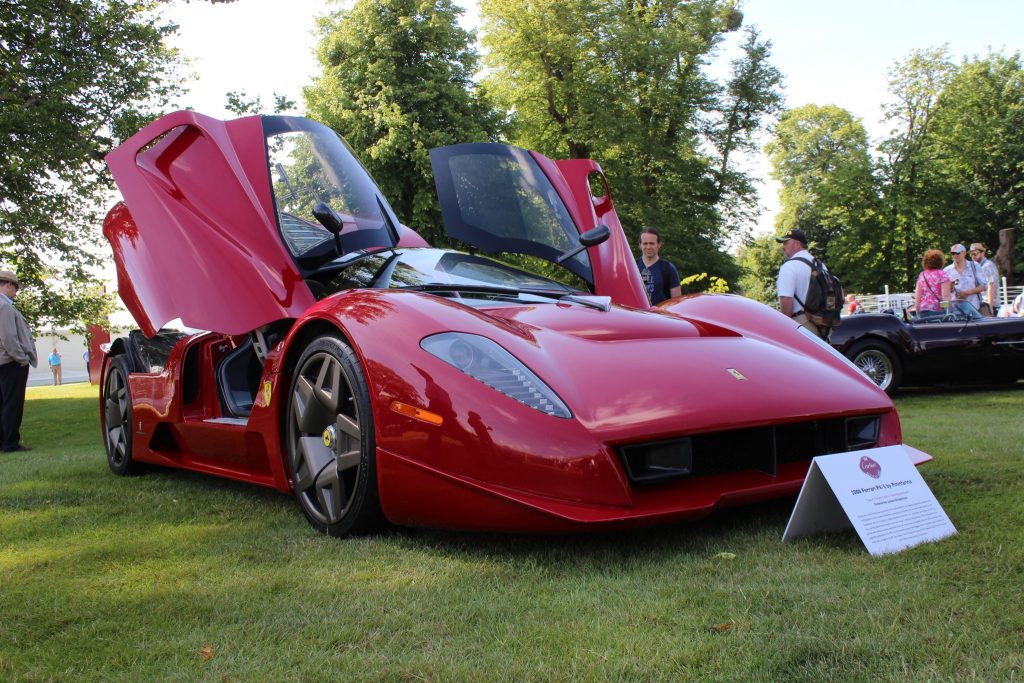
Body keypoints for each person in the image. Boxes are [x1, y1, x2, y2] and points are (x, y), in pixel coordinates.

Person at [0, 269, 36, 452]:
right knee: (12, 404)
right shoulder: (4, 307)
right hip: (10, 362)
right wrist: (21, 358)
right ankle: (10, 442)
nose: (16, 291)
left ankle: (4, 440)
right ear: (7, 285)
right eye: (15, 287)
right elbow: (8, 337)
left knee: (3, 403)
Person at [776, 229, 828, 337]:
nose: (783, 247)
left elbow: (786, 299)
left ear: (797, 244)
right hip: (824, 323)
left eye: (786, 243)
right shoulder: (820, 265)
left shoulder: (789, 266)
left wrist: (784, 329)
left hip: (802, 324)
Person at [635, 227, 681, 305]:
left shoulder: (669, 269)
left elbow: (676, 303)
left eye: (652, 243)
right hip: (635, 315)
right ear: (640, 245)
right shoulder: (631, 267)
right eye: (645, 243)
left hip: (659, 316)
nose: (648, 247)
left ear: (659, 245)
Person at [944, 243, 987, 315]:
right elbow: (944, 292)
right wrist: (950, 287)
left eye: (957, 253)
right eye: (953, 253)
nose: (955, 255)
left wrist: (967, 293)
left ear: (964, 253)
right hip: (955, 310)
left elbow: (983, 286)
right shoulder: (947, 270)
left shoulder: (974, 266)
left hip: (974, 308)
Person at [913, 249, 952, 318]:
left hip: (923, 312)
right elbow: (945, 296)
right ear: (941, 261)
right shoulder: (942, 274)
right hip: (938, 312)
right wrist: (948, 311)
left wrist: (918, 313)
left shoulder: (922, 275)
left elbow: (917, 298)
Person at [969, 242, 1000, 316]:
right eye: (971, 254)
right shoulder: (978, 267)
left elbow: (991, 286)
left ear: (982, 253)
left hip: (988, 306)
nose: (973, 256)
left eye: (975, 253)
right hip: (982, 305)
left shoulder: (987, 266)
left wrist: (990, 308)